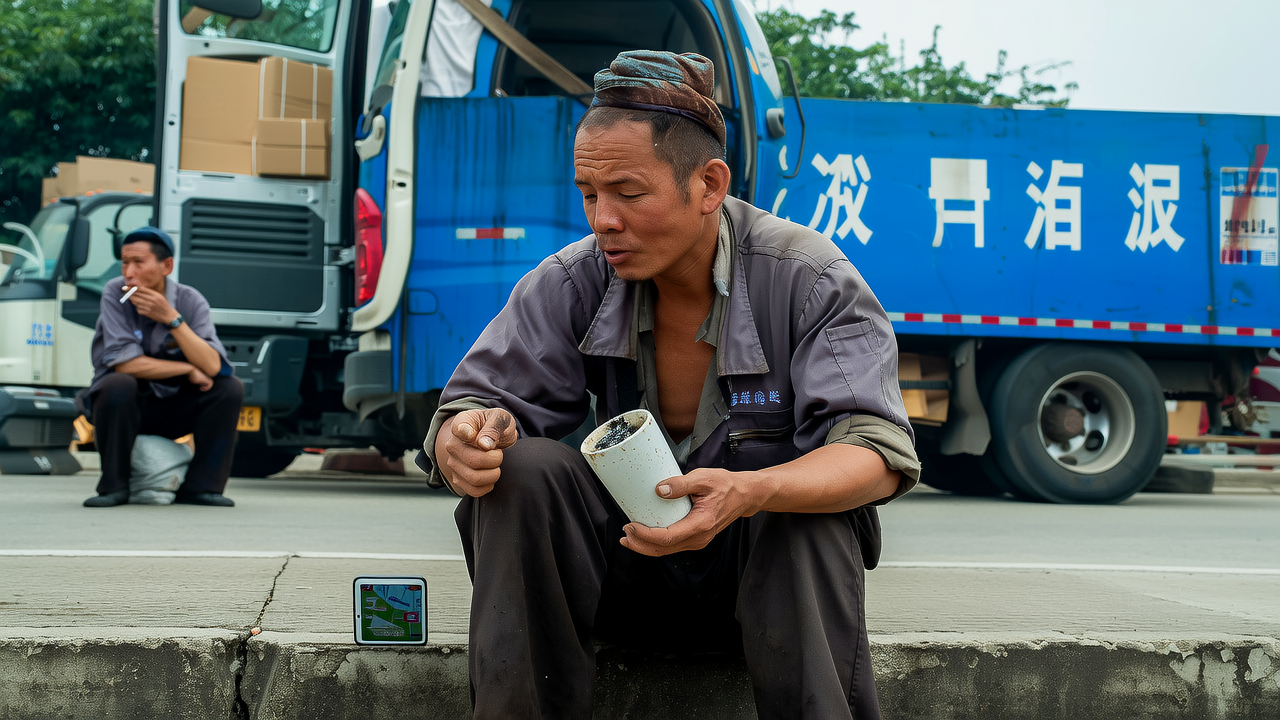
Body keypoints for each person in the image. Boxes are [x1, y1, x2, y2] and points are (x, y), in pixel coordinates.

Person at [422, 50, 920, 719]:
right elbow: (477, 403)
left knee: (809, 507)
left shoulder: (808, 279)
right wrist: (464, 437)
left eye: (628, 193)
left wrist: (752, 491)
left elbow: (875, 454)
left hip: (767, 601)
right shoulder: (575, 278)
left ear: (709, 185)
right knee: (523, 469)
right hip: (619, 581)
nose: (603, 220)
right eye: (589, 195)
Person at [80, 227, 243, 508]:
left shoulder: (190, 300)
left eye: (138, 263)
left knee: (229, 388)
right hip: (126, 407)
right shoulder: (115, 294)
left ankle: (202, 487)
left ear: (166, 266)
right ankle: (113, 487)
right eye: (124, 262)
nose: (129, 272)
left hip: (174, 406)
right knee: (118, 384)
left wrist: (171, 318)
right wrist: (186, 370)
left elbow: (214, 366)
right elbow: (125, 364)